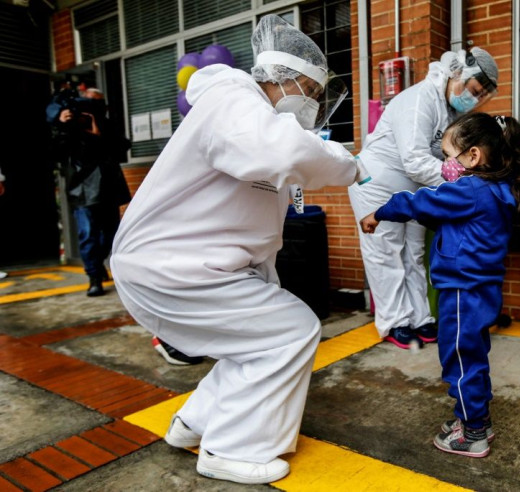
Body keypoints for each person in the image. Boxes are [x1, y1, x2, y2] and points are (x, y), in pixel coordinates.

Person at [110, 15, 362, 485]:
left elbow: (254, 230)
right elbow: (280, 153)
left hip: (187, 267)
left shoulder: (254, 121)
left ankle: (193, 424)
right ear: (286, 79)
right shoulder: (234, 99)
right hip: (171, 266)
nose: (312, 103)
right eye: (310, 90)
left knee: (256, 342)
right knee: (290, 332)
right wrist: (349, 164)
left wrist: (263, 286)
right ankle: (232, 449)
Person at [359, 112, 520, 458]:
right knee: (473, 354)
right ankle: (474, 417)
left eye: (447, 156)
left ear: (473, 156)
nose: (445, 164)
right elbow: (441, 214)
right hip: (479, 290)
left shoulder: (471, 189)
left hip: (461, 291)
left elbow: (420, 201)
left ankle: (473, 432)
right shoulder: (495, 190)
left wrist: (380, 212)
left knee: (458, 358)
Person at [348, 47, 499, 349]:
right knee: (386, 252)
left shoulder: (451, 111)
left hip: (415, 187)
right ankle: (394, 322)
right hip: (377, 180)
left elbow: (439, 159)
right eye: (473, 89)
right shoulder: (420, 99)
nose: (473, 98)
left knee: (414, 253)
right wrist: (461, 181)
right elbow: (415, 159)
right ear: (458, 73)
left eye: (480, 95)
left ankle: (420, 318)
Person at [48, 86, 131, 296]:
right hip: (81, 188)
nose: (92, 106)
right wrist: (61, 124)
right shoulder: (68, 125)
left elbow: (123, 148)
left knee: (111, 234)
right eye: (89, 101)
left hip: (108, 187)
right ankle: (94, 277)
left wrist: (98, 135)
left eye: (97, 102)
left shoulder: (107, 124)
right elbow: (57, 153)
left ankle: (97, 264)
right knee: (88, 235)